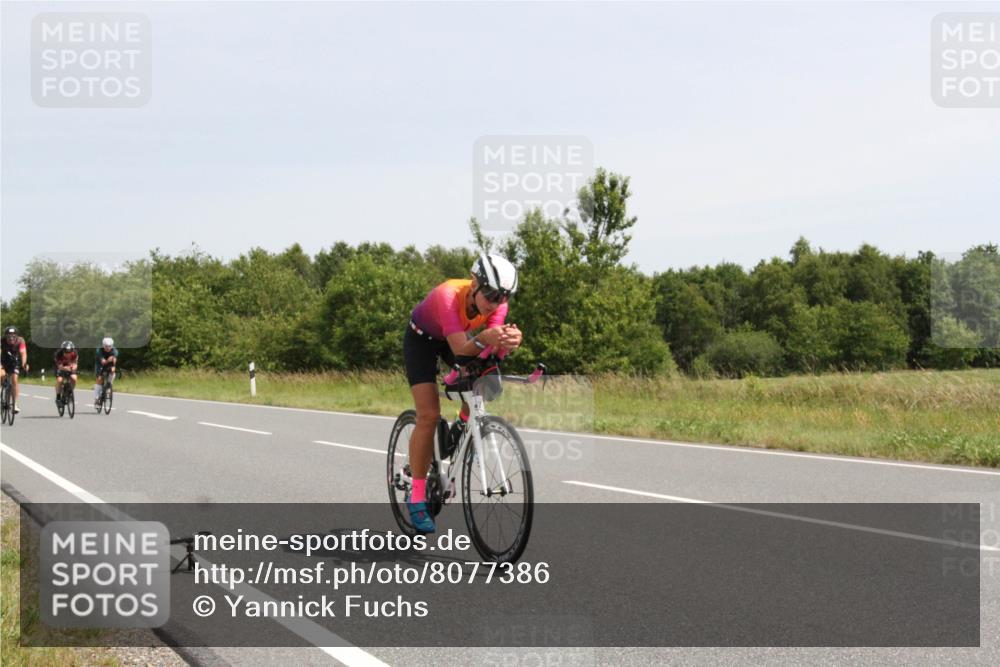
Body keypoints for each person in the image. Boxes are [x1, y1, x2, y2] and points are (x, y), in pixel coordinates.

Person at [402, 253, 523, 533]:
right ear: (474, 283)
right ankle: (417, 495)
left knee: (485, 378)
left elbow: (489, 350)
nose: (496, 303)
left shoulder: (497, 305)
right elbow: (461, 349)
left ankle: (462, 428)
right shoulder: (448, 295)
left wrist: (511, 340)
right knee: (429, 415)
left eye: (504, 297)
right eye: (491, 294)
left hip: (455, 339)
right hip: (422, 340)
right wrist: (485, 339)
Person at [1, 326, 28, 414]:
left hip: (14, 362)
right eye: (9, 336)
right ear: (6, 337)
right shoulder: (2, 340)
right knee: (1, 375)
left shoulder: (21, 340)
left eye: (13, 336)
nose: (11, 338)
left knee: (15, 380)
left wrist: (24, 364)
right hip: (3, 361)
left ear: (16, 336)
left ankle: (15, 404)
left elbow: (23, 353)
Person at [93, 337, 118, 408]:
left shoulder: (115, 351)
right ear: (103, 345)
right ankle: (96, 399)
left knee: (113, 370)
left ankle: (109, 385)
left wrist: (113, 361)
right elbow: (103, 362)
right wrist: (108, 360)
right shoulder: (99, 350)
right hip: (100, 365)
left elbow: (114, 361)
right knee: (99, 379)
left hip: (109, 364)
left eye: (110, 346)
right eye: (106, 346)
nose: (108, 348)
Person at [53, 341, 79, 405]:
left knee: (74, 378)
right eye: (66, 352)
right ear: (62, 351)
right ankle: (58, 397)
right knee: (59, 380)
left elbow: (75, 364)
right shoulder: (58, 354)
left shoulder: (75, 353)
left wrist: (74, 367)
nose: (68, 354)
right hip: (60, 367)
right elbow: (59, 366)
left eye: (70, 352)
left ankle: (69, 393)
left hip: (69, 366)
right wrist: (65, 368)